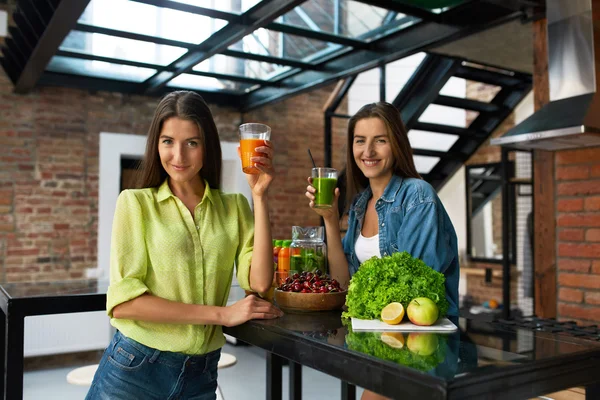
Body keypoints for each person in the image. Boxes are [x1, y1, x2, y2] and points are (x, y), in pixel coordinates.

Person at [86, 91, 283, 400]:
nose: (178, 156)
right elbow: (124, 304)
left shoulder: (233, 207)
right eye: (168, 142)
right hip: (135, 370)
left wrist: (259, 196)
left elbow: (258, 281)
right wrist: (222, 315)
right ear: (156, 145)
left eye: (192, 143)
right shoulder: (136, 203)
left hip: (201, 375)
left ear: (207, 147)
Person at [306, 102, 459, 400]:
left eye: (380, 140)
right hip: (383, 343)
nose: (368, 152)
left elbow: (416, 289)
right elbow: (344, 283)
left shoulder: (417, 196)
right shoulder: (361, 204)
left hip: (420, 348)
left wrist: (362, 304)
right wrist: (329, 217)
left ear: (397, 144)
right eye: (360, 141)